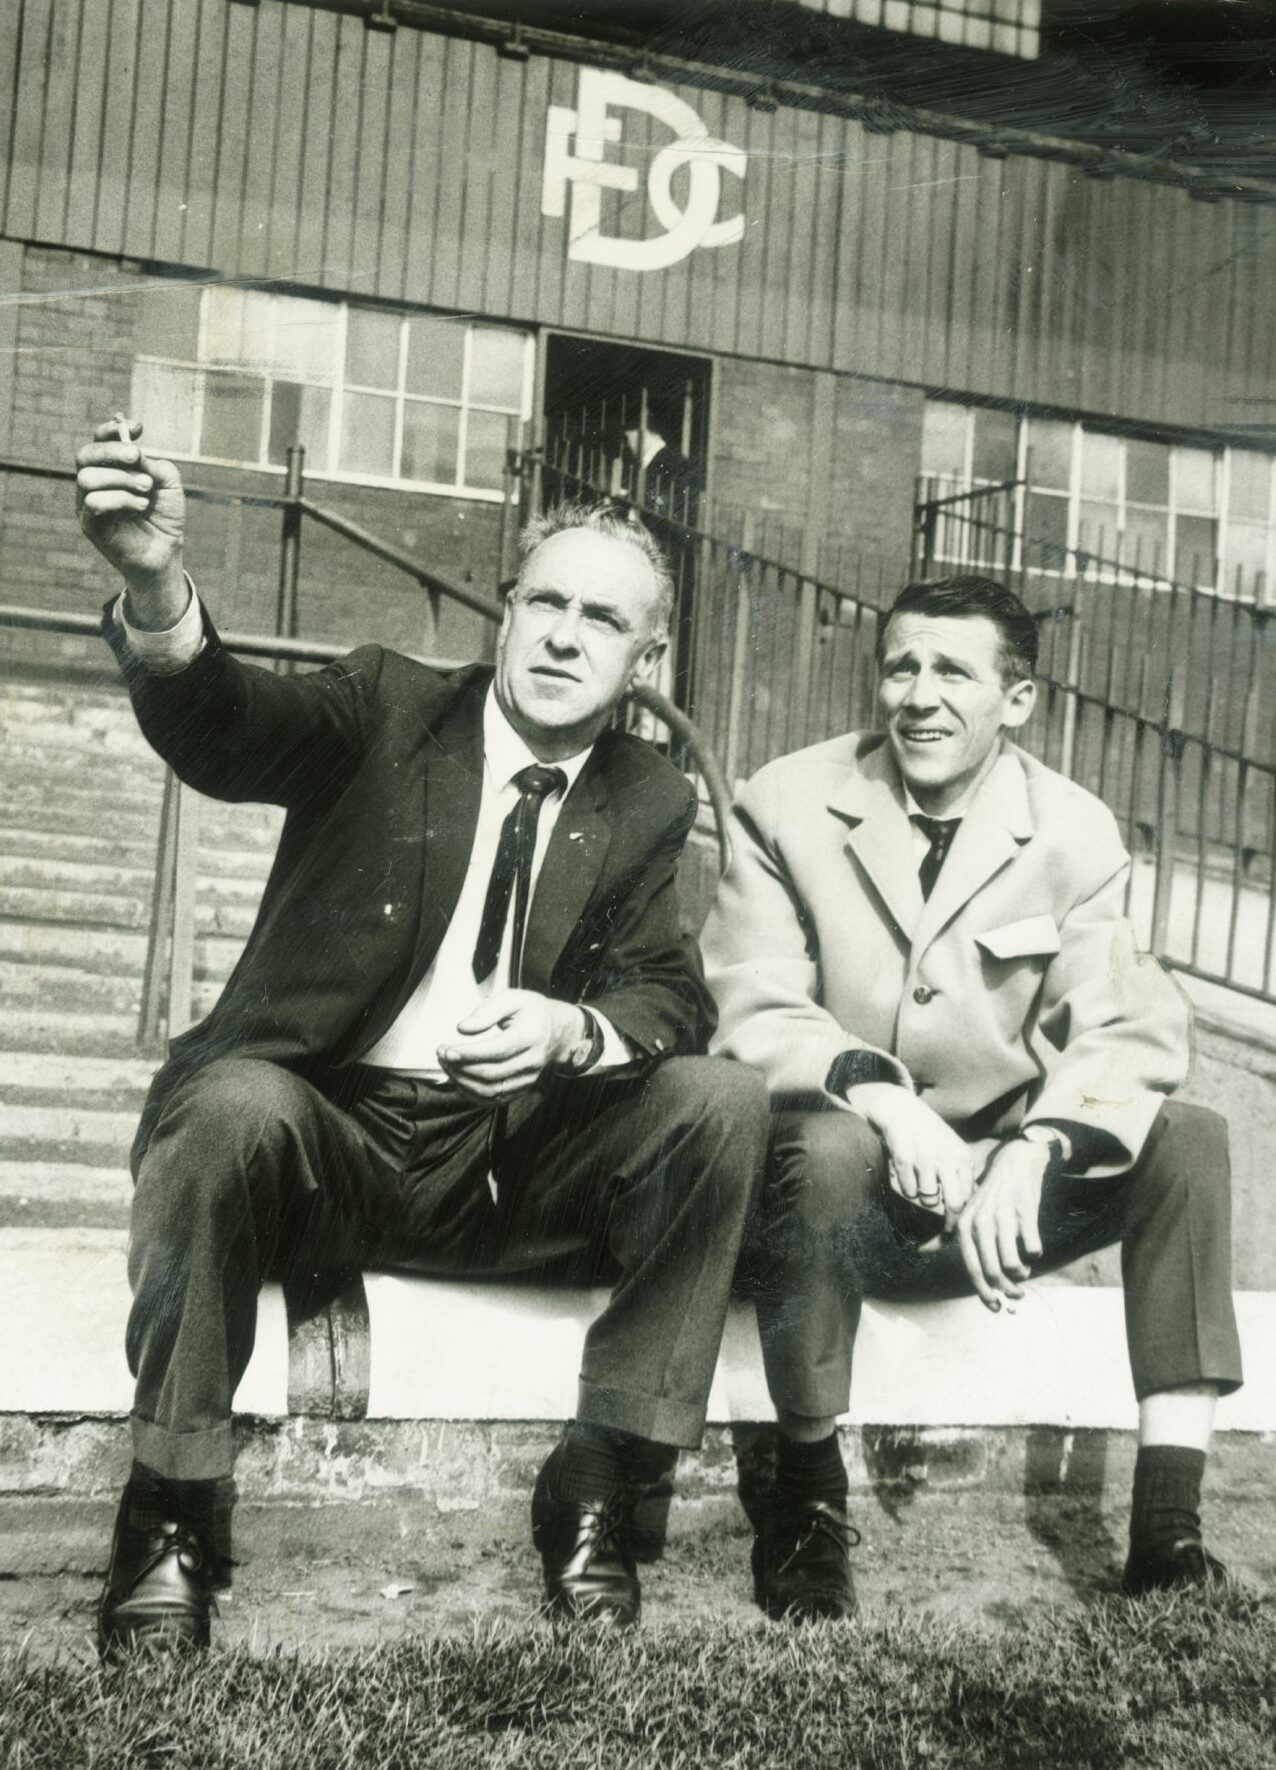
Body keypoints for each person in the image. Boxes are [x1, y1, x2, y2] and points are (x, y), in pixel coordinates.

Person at [75, 417, 768, 1657]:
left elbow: (671, 995)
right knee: (233, 1105)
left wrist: (572, 1032)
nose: (562, 635)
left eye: (601, 621)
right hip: (322, 1142)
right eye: (542, 601)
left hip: (503, 1166)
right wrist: (154, 585)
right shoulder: (389, 708)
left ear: (645, 657)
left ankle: (602, 1486)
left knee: (719, 1101)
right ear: (505, 612)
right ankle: (173, 1510)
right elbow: (226, 724)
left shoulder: (648, 799)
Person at [702, 574, 1241, 1622]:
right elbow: (751, 1006)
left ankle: (1167, 1531)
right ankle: (807, 1510)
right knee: (825, 1147)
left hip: (992, 1202)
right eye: (901, 665)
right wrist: (887, 1103)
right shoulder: (786, 800)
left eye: (953, 670)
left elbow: (1129, 1024)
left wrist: (1039, 1146)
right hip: (836, 1195)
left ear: (1019, 698)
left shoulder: (1072, 832)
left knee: (1187, 1140)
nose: (919, 695)